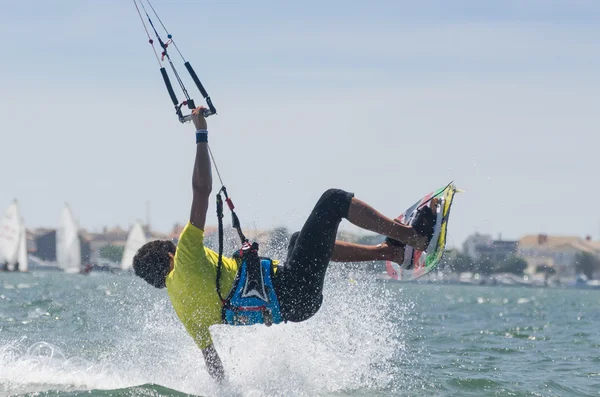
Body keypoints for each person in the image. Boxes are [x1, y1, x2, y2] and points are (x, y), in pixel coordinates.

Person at [132, 107, 437, 382]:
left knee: (298, 242)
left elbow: (211, 361)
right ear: (171, 257)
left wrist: (226, 391)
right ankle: (414, 237)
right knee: (332, 200)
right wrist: (201, 131)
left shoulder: (182, 308)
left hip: (294, 308)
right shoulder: (184, 257)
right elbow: (201, 190)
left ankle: (392, 252)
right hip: (293, 286)